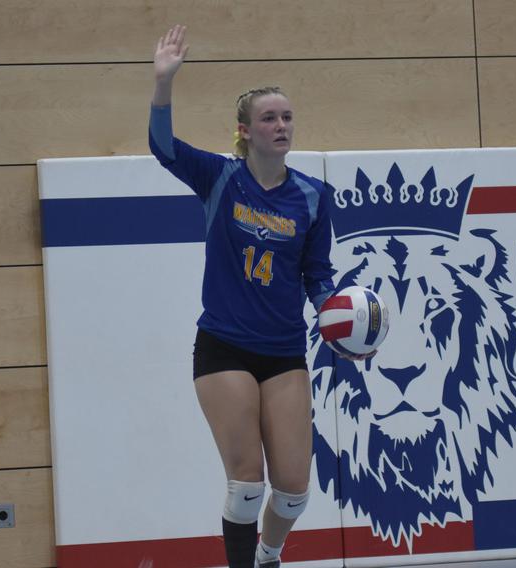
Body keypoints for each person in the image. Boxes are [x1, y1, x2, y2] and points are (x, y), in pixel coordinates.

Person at [148, 25, 358, 568]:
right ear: (245, 131)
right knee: (246, 483)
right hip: (224, 347)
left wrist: (339, 323)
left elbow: (318, 275)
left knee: (292, 490)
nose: (281, 125)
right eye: (269, 117)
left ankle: (268, 555)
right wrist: (163, 85)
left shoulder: (313, 196)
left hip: (284, 350)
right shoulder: (220, 178)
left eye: (287, 116)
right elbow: (163, 147)